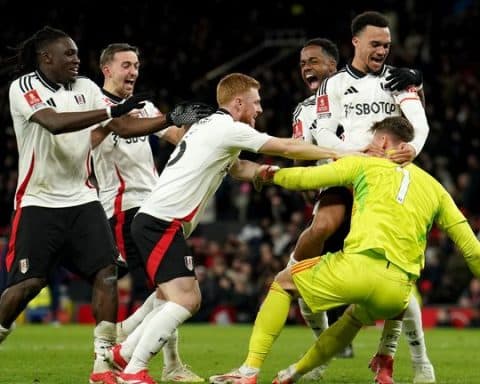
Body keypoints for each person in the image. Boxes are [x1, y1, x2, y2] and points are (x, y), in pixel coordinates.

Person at [0, 26, 212, 384]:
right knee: (29, 284)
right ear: (45, 57)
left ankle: (104, 362)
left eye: (77, 54)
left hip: (84, 199)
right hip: (40, 199)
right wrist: (112, 113)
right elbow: (53, 124)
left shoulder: (85, 88)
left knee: (109, 273)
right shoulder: (24, 87)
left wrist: (172, 117)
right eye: (69, 54)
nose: (76, 60)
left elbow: (125, 127)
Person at [106, 72, 347, 384]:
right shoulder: (228, 128)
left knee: (170, 298)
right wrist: (340, 153)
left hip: (160, 221)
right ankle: (134, 369)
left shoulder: (208, 127)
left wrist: (270, 176)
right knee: (187, 299)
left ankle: (123, 352)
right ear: (238, 103)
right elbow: (288, 147)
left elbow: (240, 168)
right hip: (161, 222)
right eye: (255, 102)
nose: (260, 109)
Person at [209, 116, 480, 384]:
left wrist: (268, 174)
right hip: (398, 291)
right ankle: (296, 372)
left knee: (283, 284)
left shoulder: (364, 164)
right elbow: (473, 251)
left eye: (373, 141)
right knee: (351, 320)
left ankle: (249, 371)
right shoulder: (436, 188)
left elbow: (306, 178)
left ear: (383, 140)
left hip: (357, 267)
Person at [292, 12, 434, 384]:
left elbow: (419, 123)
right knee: (323, 227)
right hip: (351, 173)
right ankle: (297, 274)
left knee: (399, 274)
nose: (382, 51)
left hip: (391, 179)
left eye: (386, 45)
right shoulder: (334, 85)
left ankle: (421, 363)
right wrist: (354, 158)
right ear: (354, 43)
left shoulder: (399, 80)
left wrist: (414, 149)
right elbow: (322, 130)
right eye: (375, 44)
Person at [91, 43, 204, 382]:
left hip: (156, 205)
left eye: (137, 65)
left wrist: (196, 126)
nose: (134, 72)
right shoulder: (94, 106)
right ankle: (150, 360)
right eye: (126, 65)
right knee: (170, 287)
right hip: (122, 208)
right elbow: (88, 143)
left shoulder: (145, 106)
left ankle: (149, 349)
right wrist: (113, 119)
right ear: (107, 69)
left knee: (167, 285)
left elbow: (175, 136)